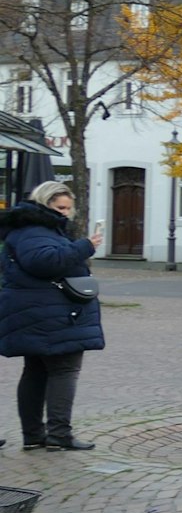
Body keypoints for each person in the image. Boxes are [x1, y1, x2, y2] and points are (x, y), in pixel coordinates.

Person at [0, 181, 105, 451]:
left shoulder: (32, 229)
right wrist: (84, 247)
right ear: (44, 204)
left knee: (35, 370)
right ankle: (59, 434)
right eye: (60, 207)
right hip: (51, 314)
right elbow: (44, 262)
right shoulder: (35, 230)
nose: (65, 213)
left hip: (39, 311)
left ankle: (34, 435)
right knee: (64, 370)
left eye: (68, 208)